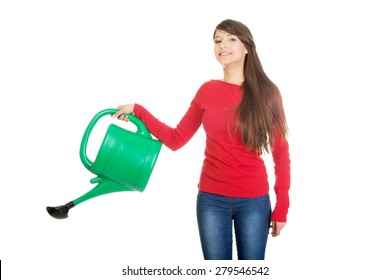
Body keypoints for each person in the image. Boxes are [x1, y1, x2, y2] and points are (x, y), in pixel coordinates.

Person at [112, 19, 290, 260]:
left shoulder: (268, 93)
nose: (222, 45)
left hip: (254, 201)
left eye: (231, 39)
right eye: (218, 40)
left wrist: (282, 207)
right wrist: (138, 110)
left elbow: (280, 153)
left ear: (247, 47)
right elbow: (176, 139)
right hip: (211, 200)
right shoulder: (207, 91)